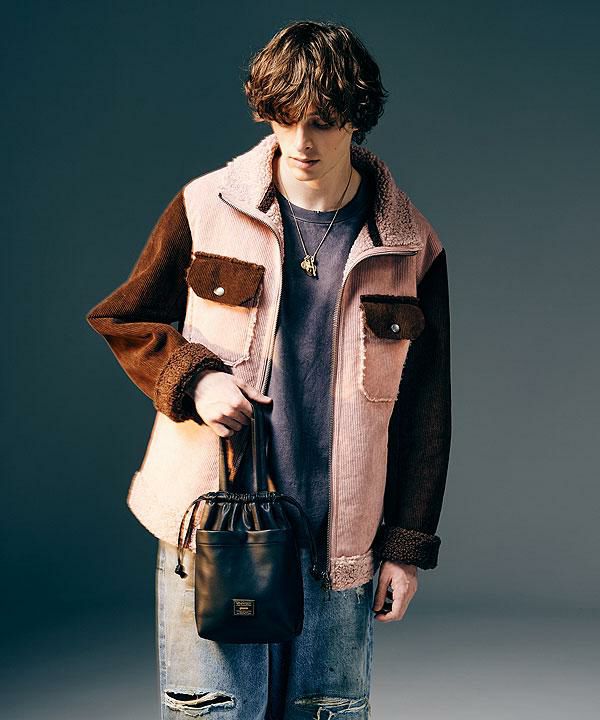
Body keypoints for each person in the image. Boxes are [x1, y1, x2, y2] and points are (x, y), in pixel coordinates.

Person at [86, 19, 451, 720]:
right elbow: (123, 317)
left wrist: (405, 548)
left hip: (338, 547)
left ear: (357, 118)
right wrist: (196, 378)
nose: (301, 142)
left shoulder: (410, 246)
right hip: (213, 532)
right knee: (214, 712)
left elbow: (427, 410)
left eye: (322, 122)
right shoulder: (206, 206)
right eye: (284, 119)